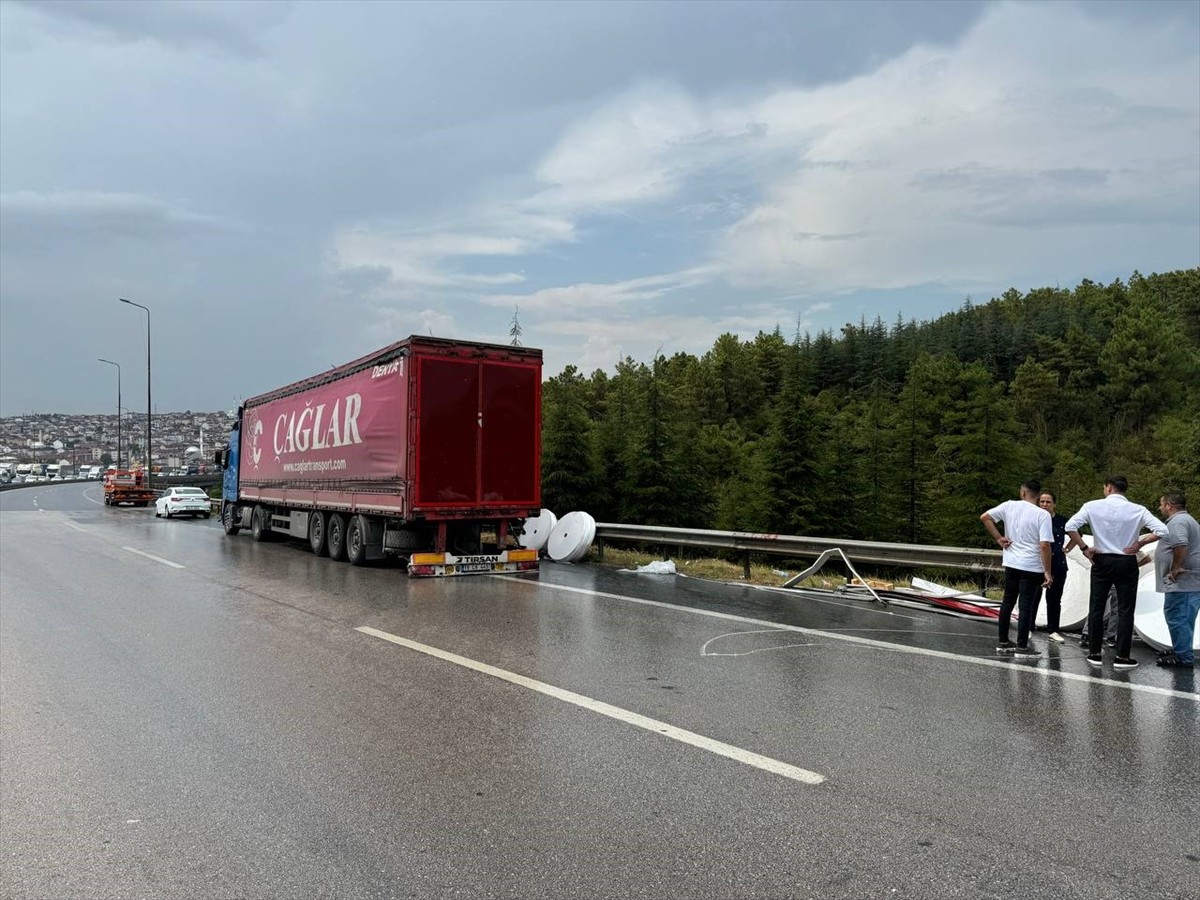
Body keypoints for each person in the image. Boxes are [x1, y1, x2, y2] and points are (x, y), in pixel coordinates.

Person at [1065, 476, 1169, 670]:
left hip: (1101, 559)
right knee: (1125, 609)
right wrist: (1140, 543)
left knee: (1096, 606)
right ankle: (1122, 656)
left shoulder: (1092, 506)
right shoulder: (1138, 510)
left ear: (1109, 487)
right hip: (1126, 560)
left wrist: (1085, 548)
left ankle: (1095, 653)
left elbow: (1070, 526)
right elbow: (1163, 530)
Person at [981, 480, 1054, 658]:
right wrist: (1047, 571)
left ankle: (1003, 641)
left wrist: (999, 537)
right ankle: (1022, 646)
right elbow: (1044, 545)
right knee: (1026, 606)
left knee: (1007, 602)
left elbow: (985, 517)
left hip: (1012, 562)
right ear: (1037, 496)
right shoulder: (1042, 515)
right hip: (1031, 565)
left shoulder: (1009, 506)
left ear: (1023, 492)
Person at [1153, 493, 1199, 667]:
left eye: (1161, 504)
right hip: (1188, 581)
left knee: (1179, 616)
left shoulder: (1178, 522)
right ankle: (1180, 648)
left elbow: (1180, 544)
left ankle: (1183, 657)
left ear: (1169, 505)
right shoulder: (1185, 520)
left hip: (1184, 580)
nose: (1160, 507)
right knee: (1181, 616)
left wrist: (1176, 566)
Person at [1035, 491, 1072, 642]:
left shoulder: (1062, 520)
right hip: (1037, 563)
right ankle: (1029, 626)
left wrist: (1068, 548)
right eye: (1042, 501)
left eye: (1048, 502)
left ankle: (1053, 629)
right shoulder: (1034, 518)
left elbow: (1077, 534)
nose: (1044, 504)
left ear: (1054, 504)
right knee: (1033, 597)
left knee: (1054, 599)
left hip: (1058, 564)